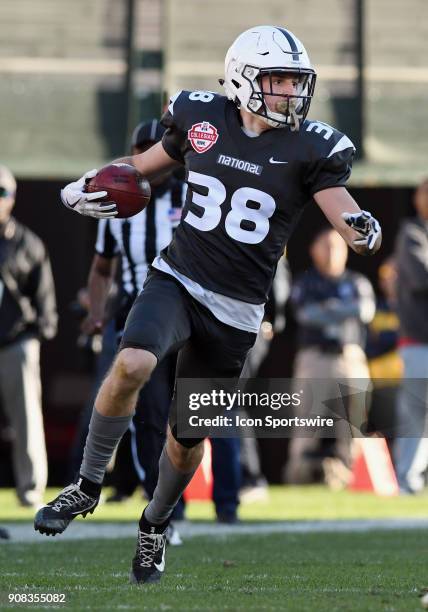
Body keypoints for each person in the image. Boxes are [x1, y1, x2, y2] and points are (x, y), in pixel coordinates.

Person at [34, 25, 382, 583]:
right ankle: (86, 484)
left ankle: (155, 525)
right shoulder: (201, 117)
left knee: (185, 438)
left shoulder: (310, 147)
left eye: (296, 81)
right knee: (132, 363)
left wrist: (360, 227)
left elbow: (340, 207)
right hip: (178, 275)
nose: (290, 92)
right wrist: (90, 185)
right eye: (278, 80)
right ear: (244, 78)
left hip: (237, 310)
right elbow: (142, 168)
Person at [285, 227, 375, 487]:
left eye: (337, 246)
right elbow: (305, 315)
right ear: (313, 250)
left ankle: (353, 480)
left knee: (353, 424)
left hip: (350, 356)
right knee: (307, 421)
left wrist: (328, 308)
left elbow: (365, 311)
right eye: (326, 245)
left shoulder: (356, 281)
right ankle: (298, 477)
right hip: (315, 359)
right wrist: (343, 311)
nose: (332, 251)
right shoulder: (306, 282)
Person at [0, 164, 57, 507]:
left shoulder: (27, 243)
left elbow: (45, 298)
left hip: (14, 342)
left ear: (12, 197)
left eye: (1, 192)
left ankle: (31, 490)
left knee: (26, 418)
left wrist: (36, 334)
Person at [394, 179, 428, 493]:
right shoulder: (412, 233)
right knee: (416, 413)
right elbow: (422, 277)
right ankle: (407, 481)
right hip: (419, 341)